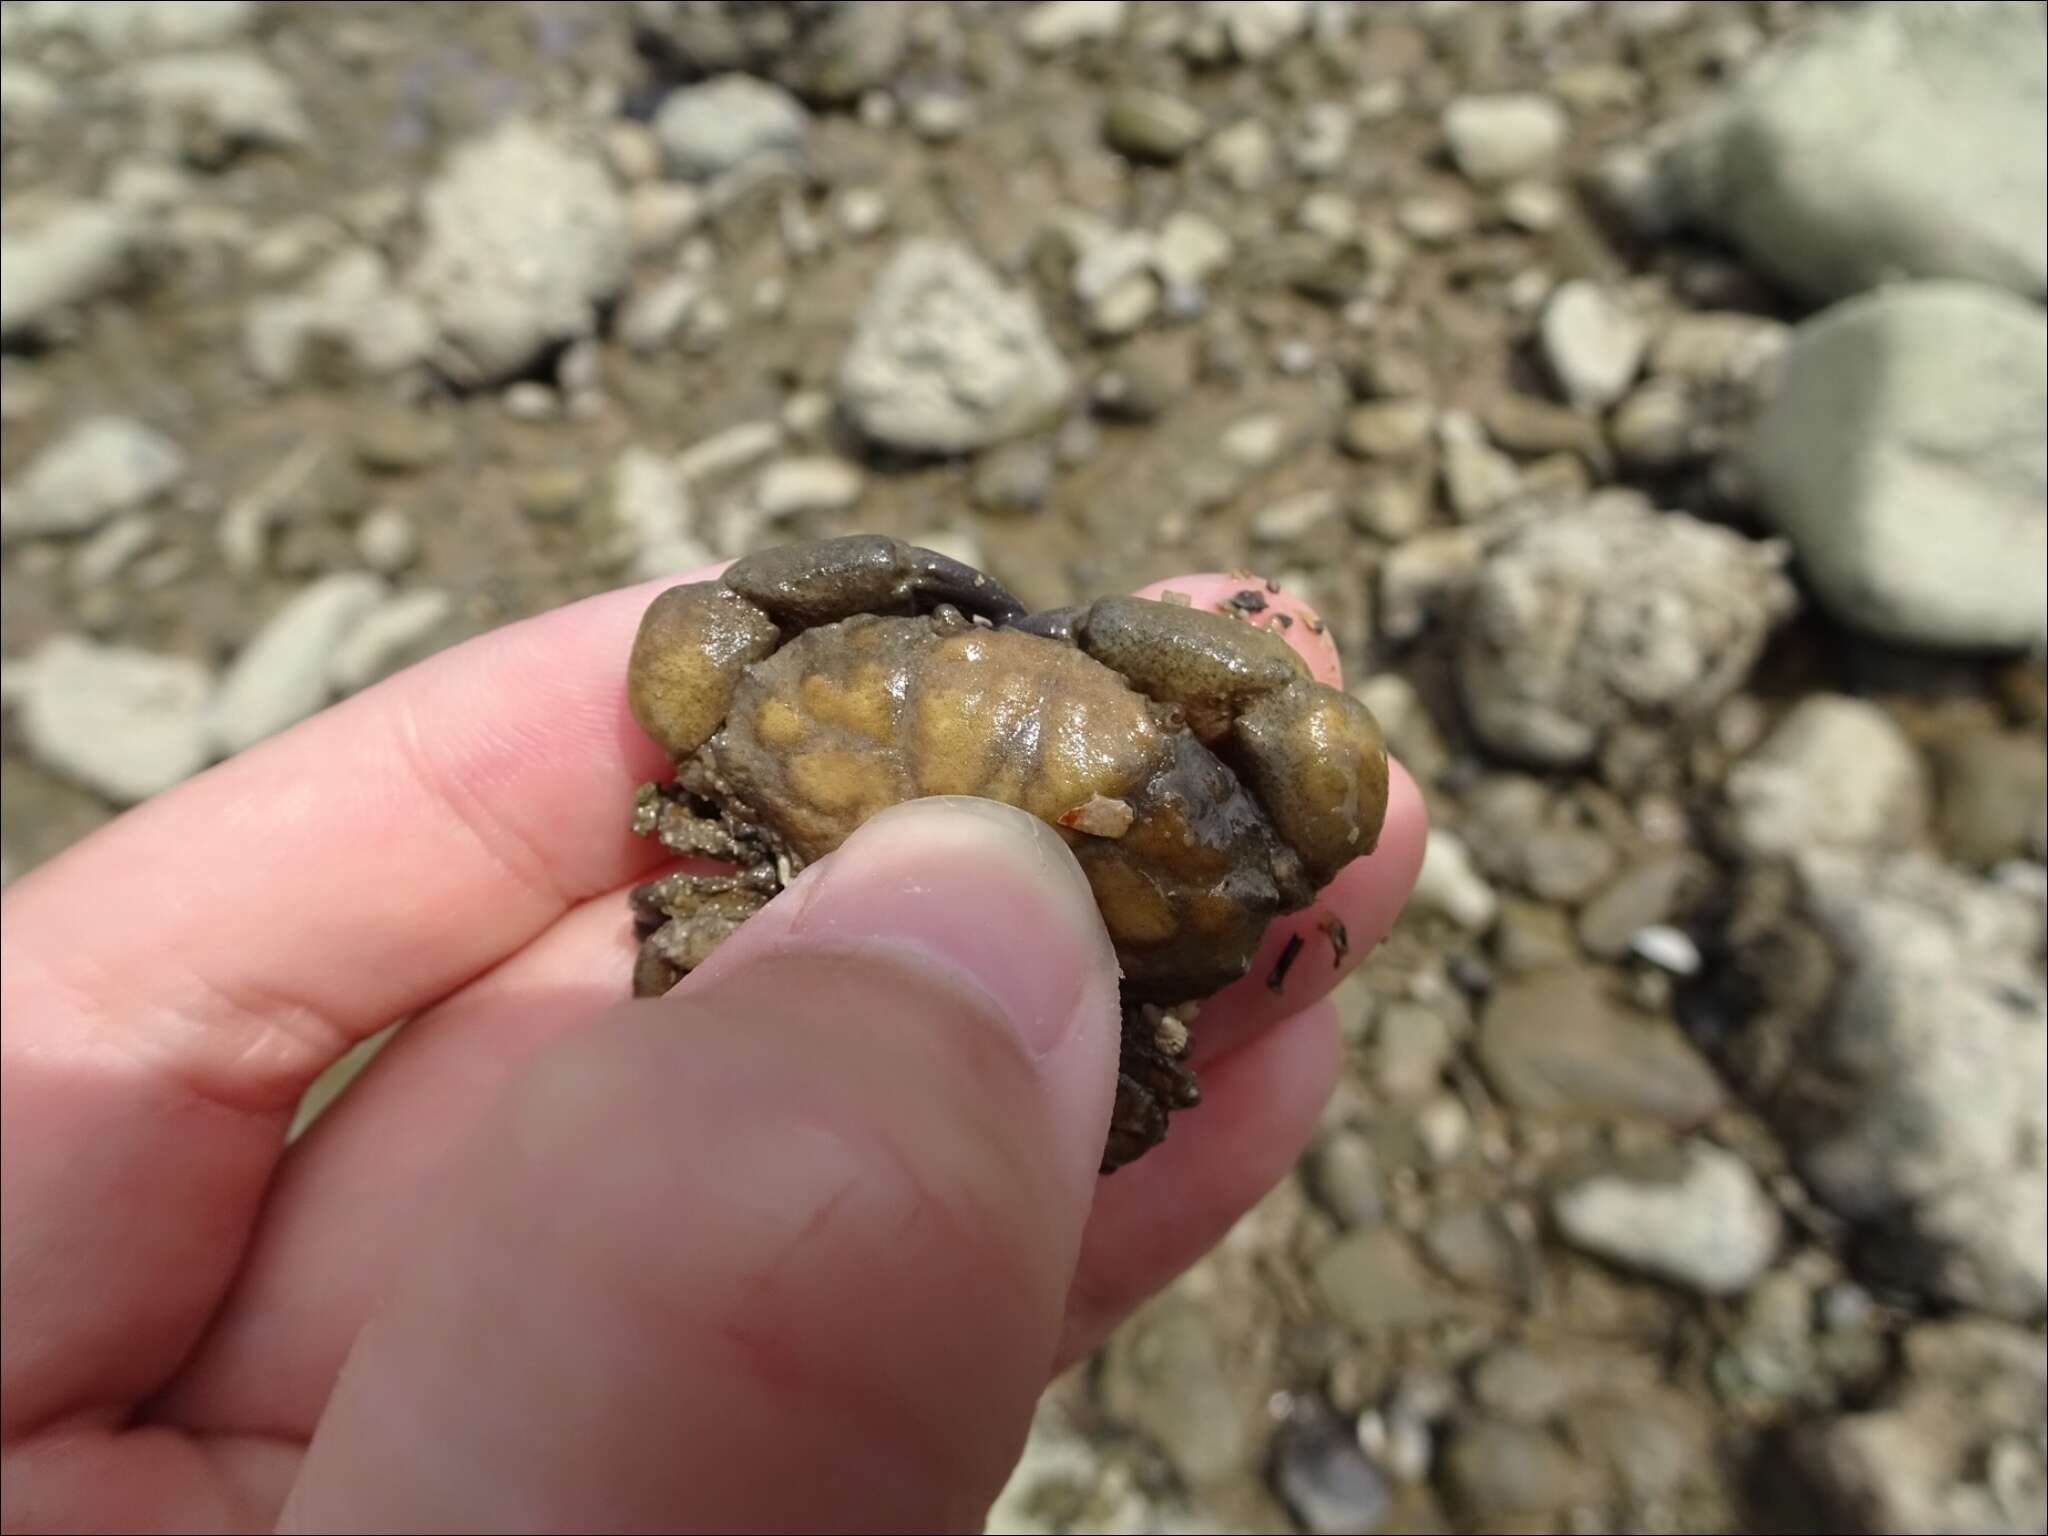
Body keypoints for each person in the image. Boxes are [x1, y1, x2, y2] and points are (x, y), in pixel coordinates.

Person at [0, 562, 1425, 1533]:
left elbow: (726, 631)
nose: (994, 654)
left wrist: (894, 612)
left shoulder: (780, 723)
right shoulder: (1210, 850)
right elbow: (1314, 794)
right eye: (945, 647)